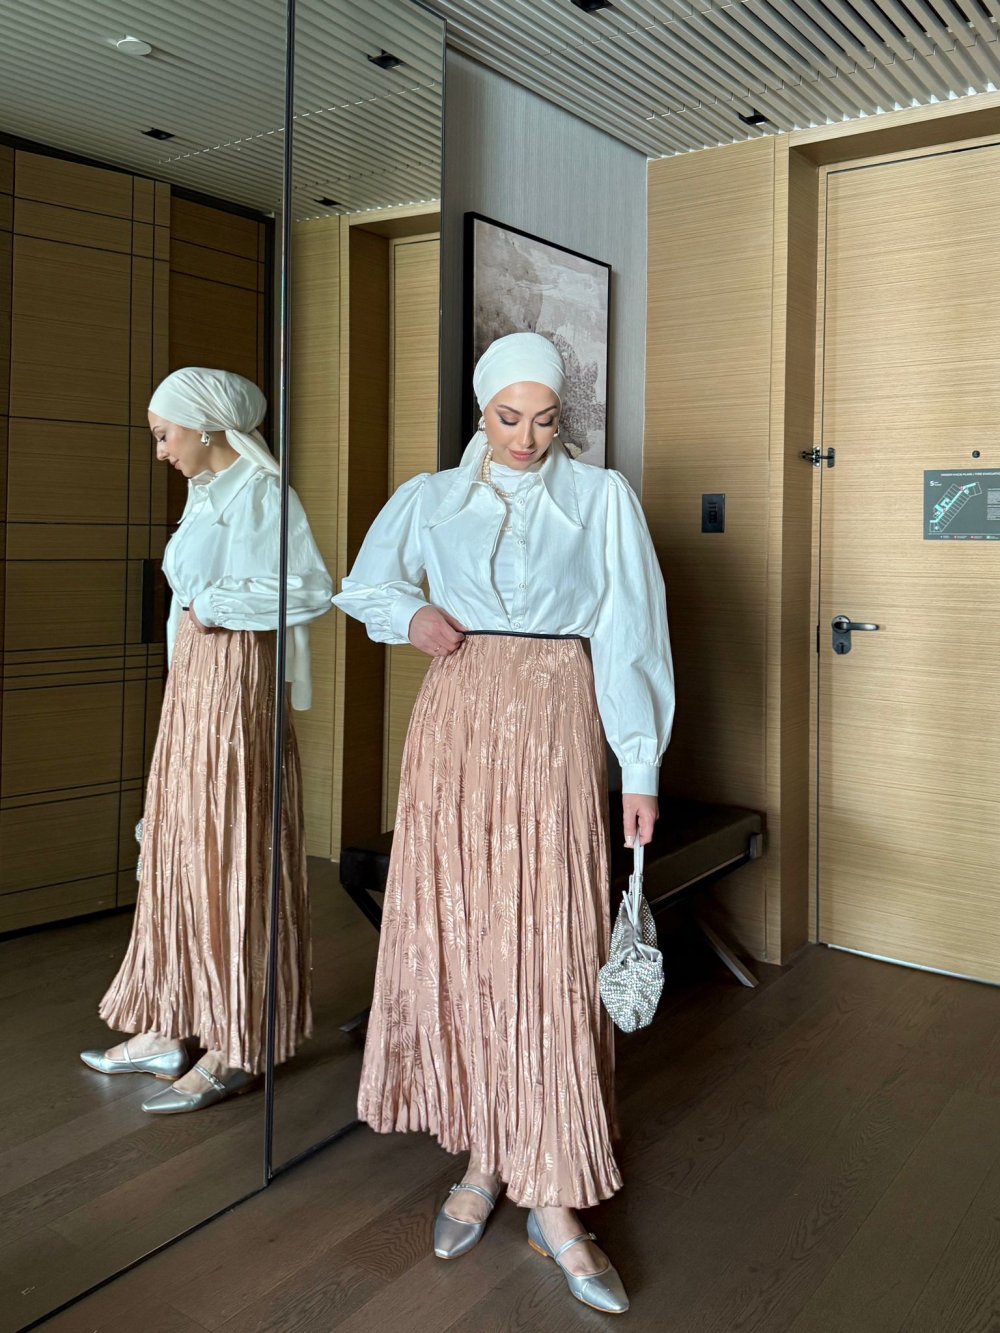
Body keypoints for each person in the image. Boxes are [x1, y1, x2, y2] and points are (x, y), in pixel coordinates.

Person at [333, 332, 674, 1314]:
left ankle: (553, 1192)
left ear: (564, 419)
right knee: (468, 936)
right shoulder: (429, 497)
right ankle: (485, 1154)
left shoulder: (602, 498)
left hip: (559, 716)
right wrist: (411, 618)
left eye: (545, 419)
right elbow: (364, 584)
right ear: (479, 410)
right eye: (506, 417)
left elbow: (631, 630)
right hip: (456, 721)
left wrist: (639, 763)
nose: (525, 438)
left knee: (552, 943)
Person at [80, 368, 333, 1114]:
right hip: (193, 684)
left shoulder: (265, 494)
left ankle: (234, 1040)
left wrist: (217, 604)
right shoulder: (204, 495)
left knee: (228, 849)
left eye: (165, 435)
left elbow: (312, 588)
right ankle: (169, 1023)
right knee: (181, 843)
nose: (161, 451)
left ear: (205, 425)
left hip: (237, 683)